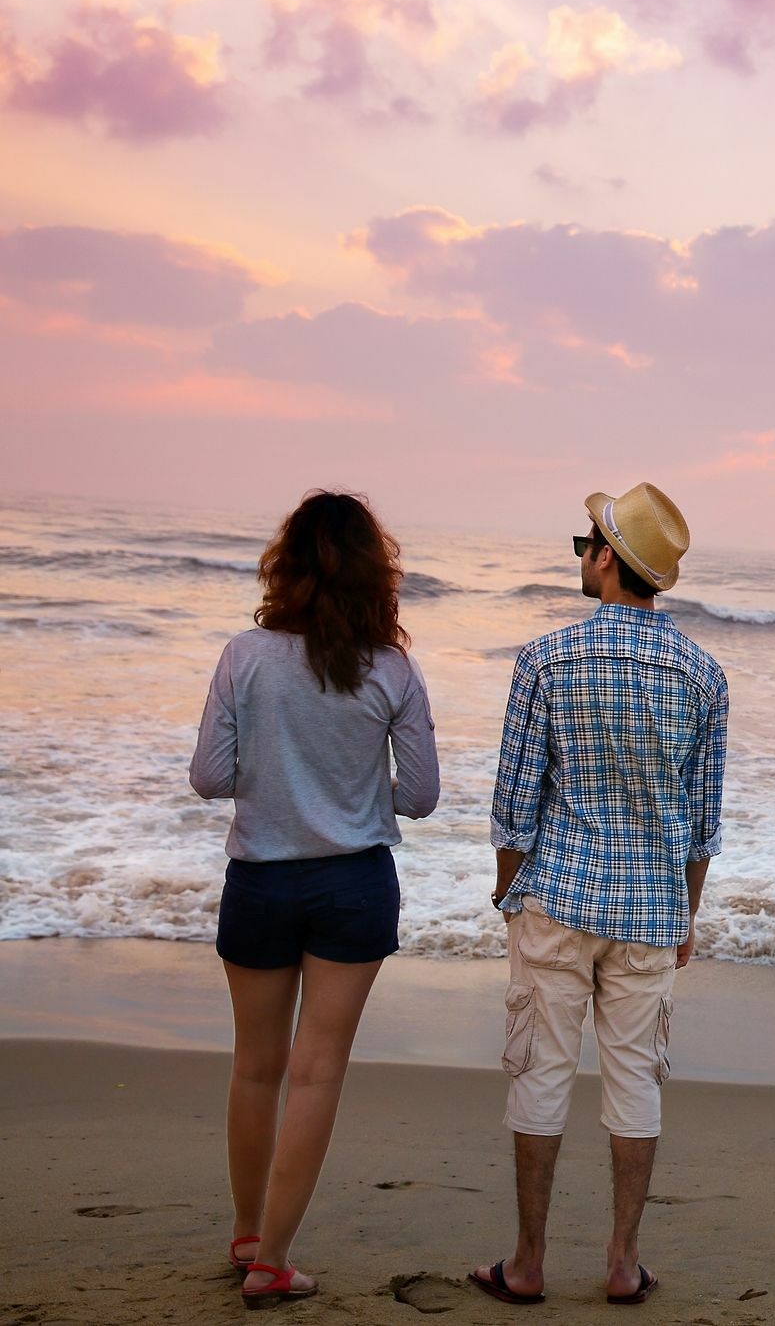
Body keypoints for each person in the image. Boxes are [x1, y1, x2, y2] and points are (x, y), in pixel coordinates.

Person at [472, 482, 728, 1308]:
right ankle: (622, 1263)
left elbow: (514, 804)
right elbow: (701, 825)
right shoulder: (704, 677)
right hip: (652, 909)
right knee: (635, 1084)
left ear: (607, 559)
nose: (580, 555)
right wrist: (684, 914)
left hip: (558, 897)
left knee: (540, 1075)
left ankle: (528, 1262)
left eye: (584, 543)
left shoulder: (545, 658)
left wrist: (511, 893)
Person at [189, 490, 439, 1308]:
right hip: (352, 882)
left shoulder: (243, 655)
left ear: (284, 565)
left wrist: (279, 777)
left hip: (259, 878)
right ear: (377, 573)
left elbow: (210, 777)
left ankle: (246, 1234)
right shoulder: (393, 668)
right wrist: (355, 787)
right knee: (317, 1071)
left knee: (254, 1066)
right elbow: (423, 796)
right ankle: (275, 1262)